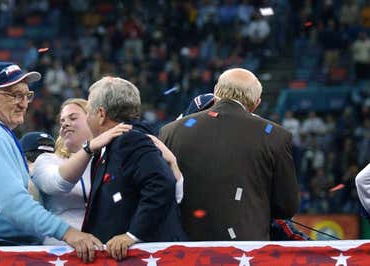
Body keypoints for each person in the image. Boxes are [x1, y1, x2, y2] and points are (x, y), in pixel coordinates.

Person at [0, 62, 102, 263]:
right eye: (14, 95)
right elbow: (14, 204)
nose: (23, 103)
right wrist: (68, 233)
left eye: (26, 95)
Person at [159, 68, 299, 241]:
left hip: (184, 249)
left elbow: (161, 193)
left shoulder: (170, 131)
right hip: (246, 250)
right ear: (256, 102)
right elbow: (286, 206)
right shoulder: (276, 136)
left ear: (216, 92)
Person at [32, 98, 183, 246]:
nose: (65, 123)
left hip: (109, 248)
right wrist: (89, 148)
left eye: (73, 117)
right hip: (60, 251)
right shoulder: (47, 160)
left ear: (94, 119)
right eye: (62, 121)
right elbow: (56, 184)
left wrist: (172, 165)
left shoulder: (111, 159)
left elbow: (164, 197)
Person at [81, 77, 186, 261]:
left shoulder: (130, 140)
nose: (86, 117)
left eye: (88, 111)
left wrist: (132, 235)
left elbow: (161, 183)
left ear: (101, 114)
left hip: (140, 257)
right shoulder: (112, 144)